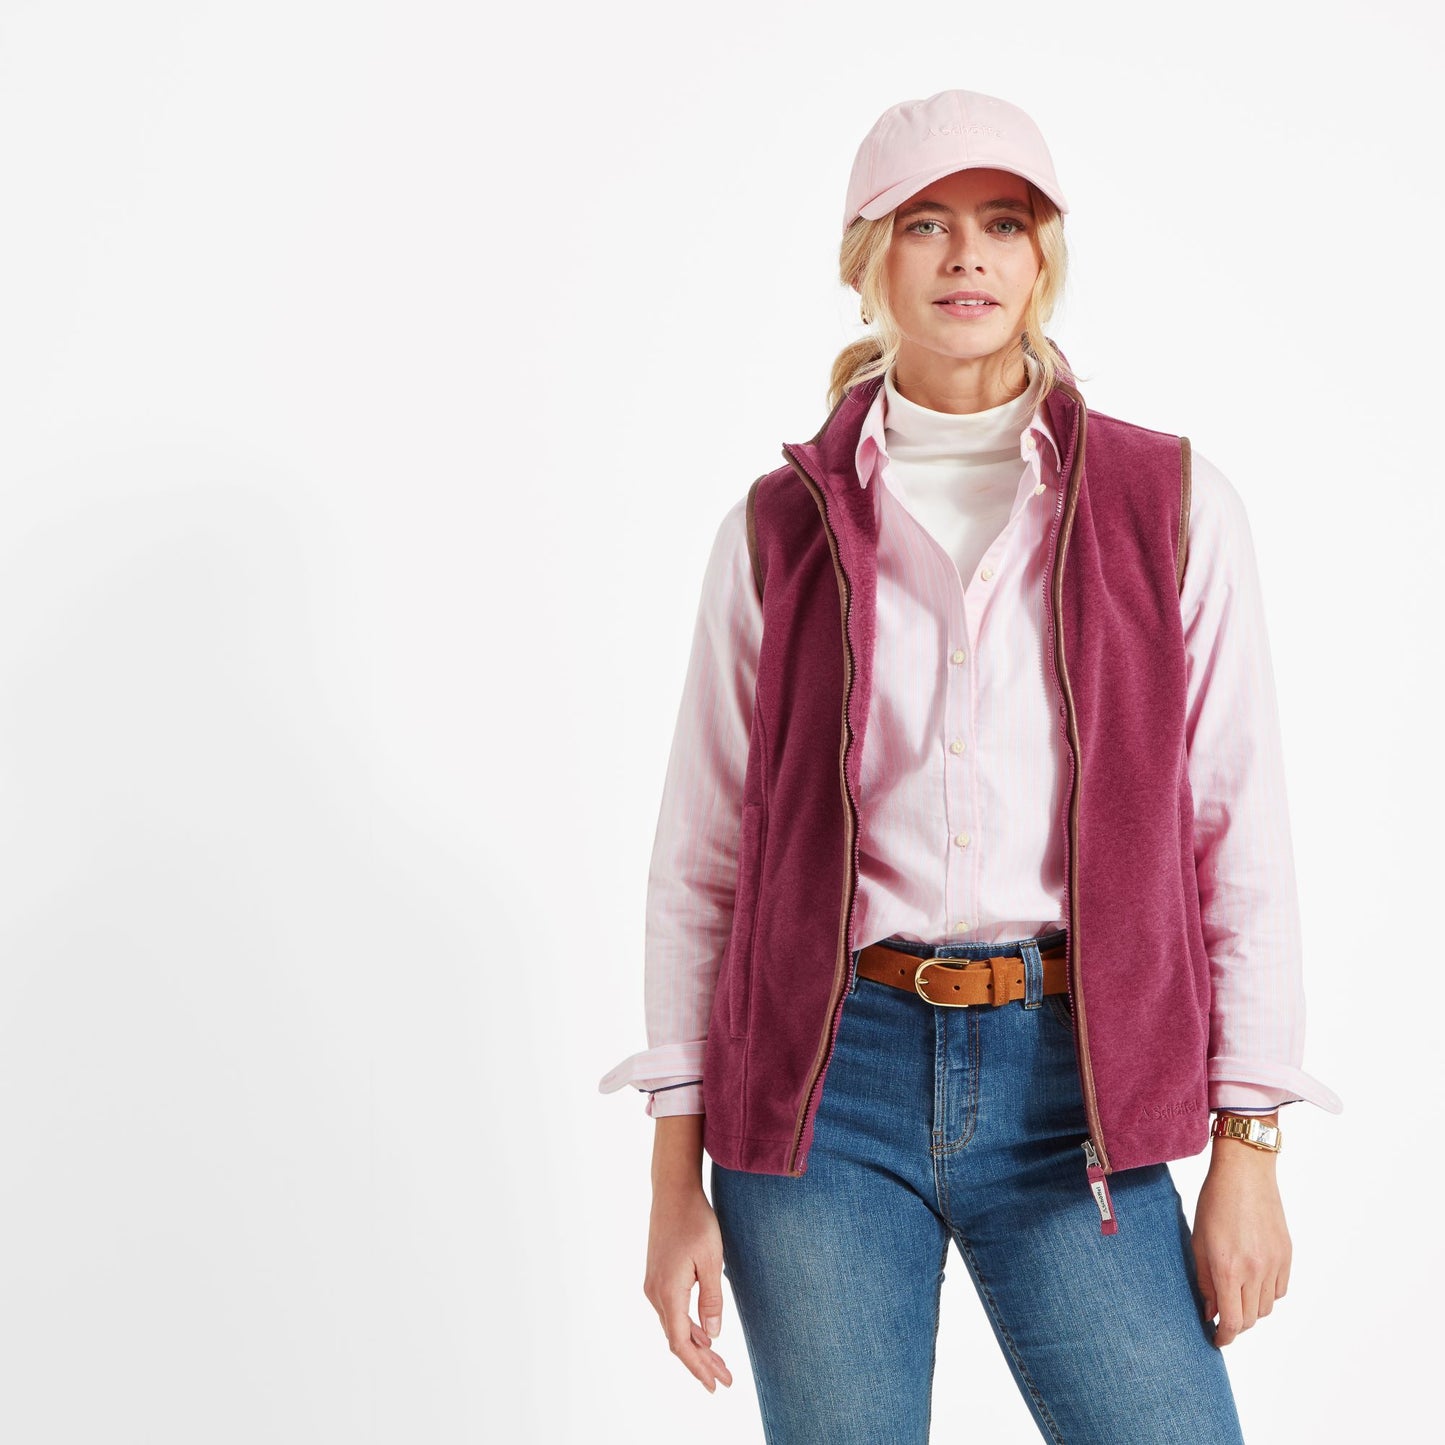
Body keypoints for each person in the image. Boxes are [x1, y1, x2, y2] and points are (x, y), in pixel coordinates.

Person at [597, 88, 1343, 1443]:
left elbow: (1237, 835)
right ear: (866, 260)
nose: (967, 257)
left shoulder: (1168, 504)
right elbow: (703, 861)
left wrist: (1250, 1144)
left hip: (1074, 1086)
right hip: (824, 1089)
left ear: (1041, 256)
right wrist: (671, 1183)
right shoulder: (777, 529)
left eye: (1003, 223)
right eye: (925, 224)